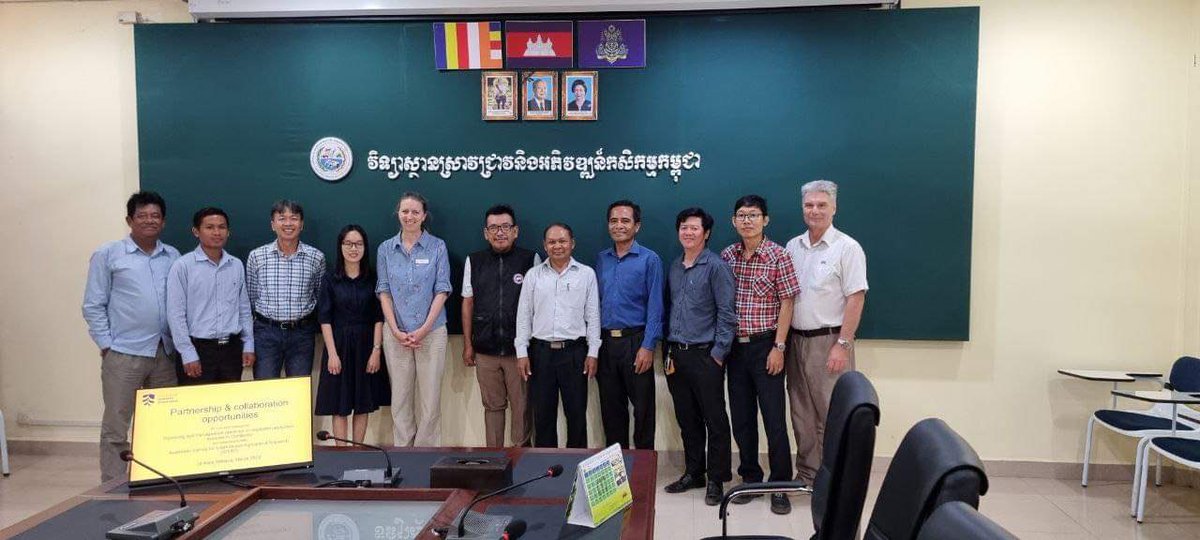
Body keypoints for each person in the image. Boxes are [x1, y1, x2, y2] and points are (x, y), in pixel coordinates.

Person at [82, 191, 181, 483]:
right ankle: (113, 484)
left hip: (164, 353)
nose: (149, 220)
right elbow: (93, 304)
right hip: (124, 353)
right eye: (142, 216)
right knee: (116, 424)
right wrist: (106, 344)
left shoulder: (172, 256)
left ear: (163, 221)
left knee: (160, 423)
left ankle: (157, 479)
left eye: (155, 216)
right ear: (129, 220)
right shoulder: (108, 254)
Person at [784, 179, 868, 487]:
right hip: (796, 342)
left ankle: (836, 479)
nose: (815, 210)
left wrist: (842, 345)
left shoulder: (847, 248)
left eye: (822, 205)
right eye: (809, 205)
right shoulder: (793, 246)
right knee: (802, 414)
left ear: (834, 208)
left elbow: (856, 297)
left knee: (833, 414)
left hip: (830, 341)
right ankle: (808, 475)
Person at [720, 195, 799, 515]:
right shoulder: (727, 255)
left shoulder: (779, 256)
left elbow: (788, 303)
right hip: (735, 349)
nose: (747, 220)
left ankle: (779, 483)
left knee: (774, 419)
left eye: (754, 215)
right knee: (741, 417)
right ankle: (751, 478)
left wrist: (779, 347)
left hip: (767, 346)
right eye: (741, 215)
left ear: (766, 220)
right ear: (733, 221)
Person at [663, 207, 736, 507]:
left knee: (714, 419)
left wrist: (718, 354)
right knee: (687, 418)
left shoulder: (716, 267)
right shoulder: (675, 266)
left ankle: (717, 479)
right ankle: (694, 472)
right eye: (683, 227)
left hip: (706, 356)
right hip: (677, 356)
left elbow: (727, 315)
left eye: (694, 228)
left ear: (706, 233)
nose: (688, 232)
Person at [514, 223, 600, 448]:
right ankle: (547, 470)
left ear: (572, 243)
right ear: (544, 245)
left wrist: (593, 352)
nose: (557, 246)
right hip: (540, 354)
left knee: (576, 416)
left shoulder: (586, 274)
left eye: (562, 241)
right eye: (552, 242)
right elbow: (524, 316)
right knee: (543, 417)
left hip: (575, 353)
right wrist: (521, 351)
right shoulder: (533, 275)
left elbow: (593, 317)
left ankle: (576, 470)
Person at [377, 192, 452, 447]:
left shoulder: (437, 246)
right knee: (400, 398)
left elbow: (442, 289)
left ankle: (425, 456)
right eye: (405, 211)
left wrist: (423, 329)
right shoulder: (386, 248)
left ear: (424, 216)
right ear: (397, 213)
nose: (409, 216)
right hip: (395, 333)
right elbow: (383, 291)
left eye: (415, 212)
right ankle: (403, 453)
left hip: (431, 332)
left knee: (430, 400)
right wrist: (396, 330)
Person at [462, 205, 539, 448]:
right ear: (486, 233)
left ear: (515, 231)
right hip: (485, 349)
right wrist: (468, 344)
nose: (500, 232)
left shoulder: (530, 259)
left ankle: (522, 459)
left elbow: (539, 305)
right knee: (493, 408)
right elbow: (468, 303)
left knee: (522, 408)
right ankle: (494, 461)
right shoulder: (474, 261)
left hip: (520, 353)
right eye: (494, 228)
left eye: (505, 227)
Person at [594, 200, 663, 450]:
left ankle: (643, 469)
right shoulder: (601, 259)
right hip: (606, 344)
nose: (619, 226)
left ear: (637, 226)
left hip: (636, 342)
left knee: (643, 411)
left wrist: (648, 346)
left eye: (625, 221)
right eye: (614, 221)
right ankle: (617, 473)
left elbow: (656, 306)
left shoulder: (649, 259)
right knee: (612, 411)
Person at [315, 225, 390, 444]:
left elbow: (379, 317)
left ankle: (358, 451)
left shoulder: (373, 278)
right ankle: (342, 454)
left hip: (366, 346)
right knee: (340, 404)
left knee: (362, 401)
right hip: (338, 346)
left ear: (365, 247)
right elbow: (325, 318)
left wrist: (376, 351)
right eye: (348, 243)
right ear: (340, 247)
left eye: (358, 244)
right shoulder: (330, 279)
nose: (353, 248)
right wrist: (332, 354)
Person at [167, 207, 255, 385]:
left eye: (222, 227)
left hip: (231, 349)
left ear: (228, 232)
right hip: (198, 350)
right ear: (196, 231)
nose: (217, 232)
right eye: (210, 227)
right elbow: (175, 314)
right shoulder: (182, 266)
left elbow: (244, 308)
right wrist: (187, 352)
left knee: (229, 407)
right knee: (196, 408)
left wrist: (248, 343)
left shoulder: (235, 265)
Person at [247, 200, 325, 380]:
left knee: (298, 392)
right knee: (265, 391)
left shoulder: (316, 257)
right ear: (273, 224)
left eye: (294, 218)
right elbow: (251, 298)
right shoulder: (256, 257)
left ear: (302, 224)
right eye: (282, 218)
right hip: (265, 333)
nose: (288, 224)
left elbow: (319, 296)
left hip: (302, 334)